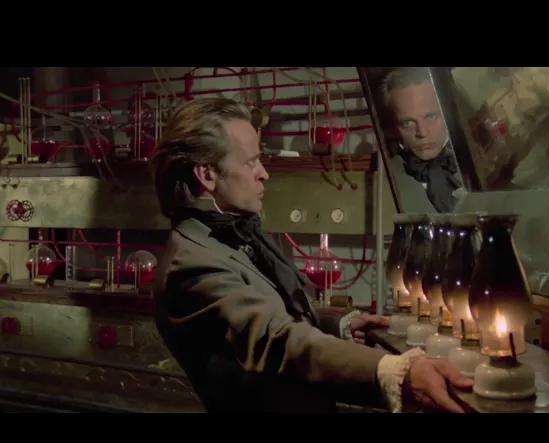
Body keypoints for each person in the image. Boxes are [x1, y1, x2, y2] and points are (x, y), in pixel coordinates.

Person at [150, 97, 473, 413]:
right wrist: (396, 372)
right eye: (250, 162)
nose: (263, 173)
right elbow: (276, 340)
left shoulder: (231, 237)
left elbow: (279, 311)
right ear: (207, 175)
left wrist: (340, 324)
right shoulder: (193, 263)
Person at [378, 67, 463, 213]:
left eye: (430, 116)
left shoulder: (478, 163)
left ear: (447, 113)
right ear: (393, 128)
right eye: (408, 123)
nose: (422, 132)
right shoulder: (384, 182)